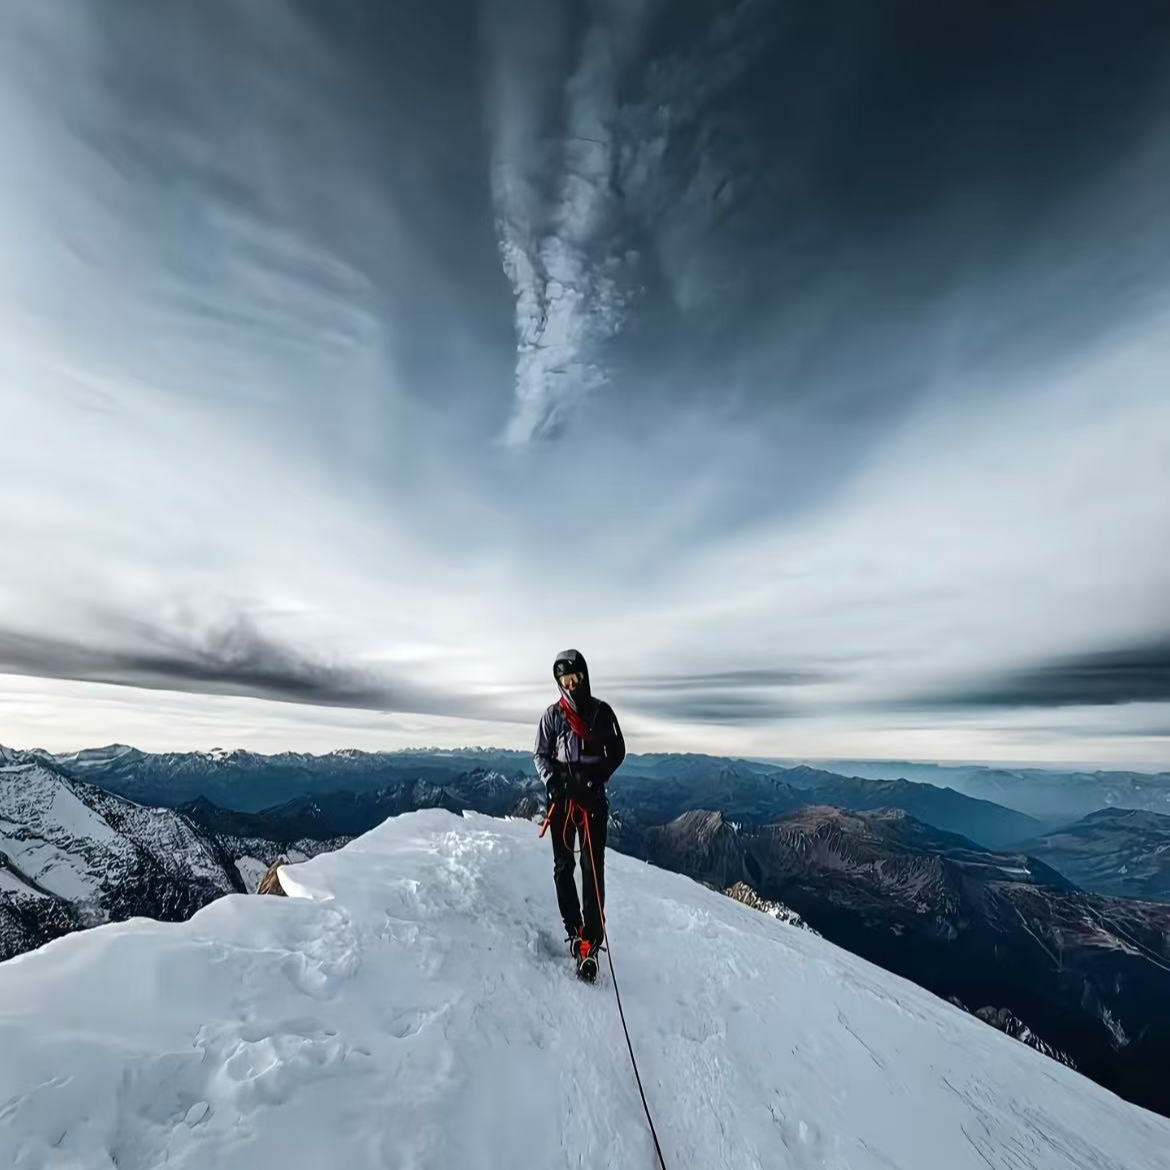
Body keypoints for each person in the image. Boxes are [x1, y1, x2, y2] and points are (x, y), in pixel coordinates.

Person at [533, 648, 626, 979]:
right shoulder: (553, 716)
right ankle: (575, 930)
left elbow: (617, 750)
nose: (571, 684)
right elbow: (540, 755)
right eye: (565, 679)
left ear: (585, 676)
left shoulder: (601, 713)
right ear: (559, 681)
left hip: (591, 798)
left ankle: (591, 937)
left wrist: (593, 778)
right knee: (564, 864)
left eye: (576, 678)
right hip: (562, 800)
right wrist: (553, 782)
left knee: (591, 867)